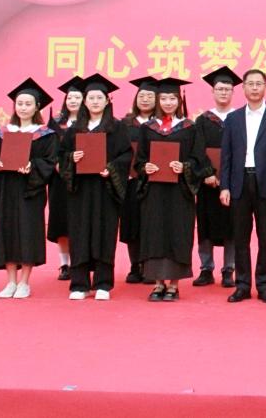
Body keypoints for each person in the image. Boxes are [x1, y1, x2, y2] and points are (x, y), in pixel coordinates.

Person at [57, 74, 132, 300]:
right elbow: (62, 155)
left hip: (105, 189)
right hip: (80, 190)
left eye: (100, 98)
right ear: (85, 101)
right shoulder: (75, 129)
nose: (95, 102)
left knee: (104, 233)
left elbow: (126, 155)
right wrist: (72, 158)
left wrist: (111, 168)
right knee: (79, 234)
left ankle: (103, 283)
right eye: (91, 98)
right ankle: (79, 284)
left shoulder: (117, 127)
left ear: (107, 100)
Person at [0, 78, 58, 298]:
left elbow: (50, 162)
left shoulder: (45, 135)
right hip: (7, 188)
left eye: (28, 104)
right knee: (7, 231)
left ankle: (24, 281)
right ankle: (10, 282)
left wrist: (32, 167)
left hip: (30, 190)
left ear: (37, 107)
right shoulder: (2, 133)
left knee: (28, 232)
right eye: (20, 103)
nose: (23, 107)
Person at [221, 69, 266, 304]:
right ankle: (242, 285)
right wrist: (224, 186)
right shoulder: (233, 119)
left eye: (259, 84)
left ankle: (264, 285)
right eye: (250, 84)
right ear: (243, 88)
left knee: (265, 237)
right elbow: (226, 156)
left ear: (265, 87)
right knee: (240, 237)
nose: (254, 88)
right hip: (239, 182)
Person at [136, 77, 204, 302]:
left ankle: (174, 285)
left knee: (177, 233)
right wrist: (145, 167)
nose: (167, 102)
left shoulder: (190, 127)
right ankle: (157, 283)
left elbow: (198, 159)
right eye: (163, 98)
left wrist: (184, 167)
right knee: (154, 233)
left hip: (179, 192)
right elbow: (139, 160)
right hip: (154, 191)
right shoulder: (147, 128)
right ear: (158, 100)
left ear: (179, 101)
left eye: (172, 98)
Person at [192, 67, 240, 289]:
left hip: (232, 183)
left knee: (232, 226)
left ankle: (229, 269)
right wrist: (208, 173)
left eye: (227, 89)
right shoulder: (202, 120)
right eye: (220, 89)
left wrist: (229, 177)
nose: (223, 93)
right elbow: (197, 150)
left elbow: (243, 150)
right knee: (205, 226)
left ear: (233, 92)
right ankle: (206, 268)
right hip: (207, 183)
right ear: (212, 92)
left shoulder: (239, 118)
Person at [120, 76, 158, 284]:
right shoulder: (125, 124)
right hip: (131, 181)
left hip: (155, 180)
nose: (145, 99)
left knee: (151, 223)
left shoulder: (162, 124)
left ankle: (150, 266)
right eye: (141, 95)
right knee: (132, 222)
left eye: (150, 96)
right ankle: (135, 265)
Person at [49, 76, 84, 281]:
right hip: (59, 179)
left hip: (82, 178)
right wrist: (55, 162)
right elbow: (49, 148)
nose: (73, 101)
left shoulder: (89, 123)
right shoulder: (56, 123)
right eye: (70, 97)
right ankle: (64, 264)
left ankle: (79, 261)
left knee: (78, 220)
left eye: (77, 97)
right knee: (61, 222)